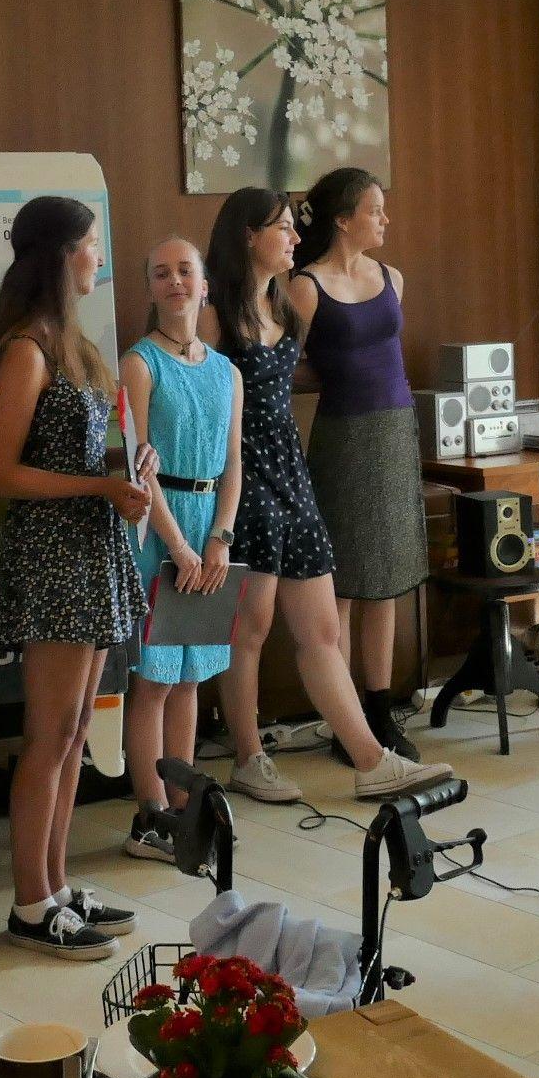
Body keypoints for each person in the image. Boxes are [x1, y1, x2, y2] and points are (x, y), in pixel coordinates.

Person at [200, 187, 453, 804]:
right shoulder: (216, 314)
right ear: (248, 236)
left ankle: (371, 759)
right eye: (282, 228)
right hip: (243, 477)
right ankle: (249, 757)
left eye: (294, 226)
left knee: (319, 629)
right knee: (251, 628)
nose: (295, 237)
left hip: (292, 470)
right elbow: (201, 403)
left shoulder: (284, 306)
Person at [0, 196, 150, 960]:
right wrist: (101, 487)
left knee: (77, 730)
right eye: (90, 245)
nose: (99, 258)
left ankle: (55, 885)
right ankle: (29, 904)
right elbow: (3, 473)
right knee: (48, 734)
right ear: (59, 255)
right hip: (53, 556)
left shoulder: (72, 344)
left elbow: (80, 456)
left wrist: (126, 463)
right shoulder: (26, 348)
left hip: (88, 550)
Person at [288, 167, 427, 763]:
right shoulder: (305, 286)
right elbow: (283, 369)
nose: (385, 219)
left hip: (395, 434)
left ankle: (379, 711)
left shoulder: (392, 278)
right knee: (342, 583)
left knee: (386, 581)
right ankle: (347, 724)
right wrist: (334, 372)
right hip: (343, 440)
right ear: (343, 220)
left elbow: (387, 354)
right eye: (374, 209)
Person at [119, 236, 242, 863]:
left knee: (190, 677)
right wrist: (177, 547)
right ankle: (150, 817)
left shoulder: (227, 372)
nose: (175, 282)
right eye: (161, 273)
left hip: (208, 529)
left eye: (185, 271)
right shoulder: (139, 364)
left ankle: (185, 806)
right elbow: (138, 467)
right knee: (154, 681)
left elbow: (234, 464)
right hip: (156, 531)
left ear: (204, 285)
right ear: (149, 288)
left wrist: (219, 538)